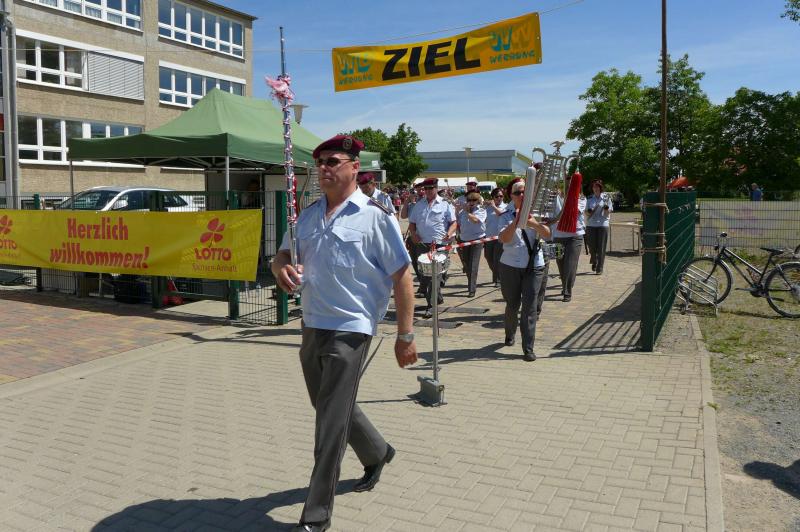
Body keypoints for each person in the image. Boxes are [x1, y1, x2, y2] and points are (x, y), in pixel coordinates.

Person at [271, 134, 418, 532]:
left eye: (332, 161)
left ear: (355, 167)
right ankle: (377, 451)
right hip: (311, 323)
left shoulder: (376, 216)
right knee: (329, 406)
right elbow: (282, 254)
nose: (323, 168)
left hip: (351, 329)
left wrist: (405, 336)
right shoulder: (307, 216)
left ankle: (316, 515)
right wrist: (281, 268)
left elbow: (402, 276)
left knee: (329, 425)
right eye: (319, 162)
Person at [498, 179, 551, 361]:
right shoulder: (505, 215)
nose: (522, 195)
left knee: (530, 307)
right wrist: (517, 220)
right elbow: (504, 238)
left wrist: (533, 223)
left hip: (534, 265)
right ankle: (510, 332)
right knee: (512, 305)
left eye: (525, 192)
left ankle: (528, 347)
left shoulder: (538, 212)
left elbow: (547, 234)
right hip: (510, 265)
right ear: (511, 196)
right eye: (518, 192)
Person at [408, 177, 457, 318]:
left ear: (436, 188)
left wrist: (449, 233)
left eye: (431, 188)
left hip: (439, 244)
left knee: (434, 276)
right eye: (426, 189)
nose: (428, 191)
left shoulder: (445, 204)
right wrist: (413, 234)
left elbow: (454, 223)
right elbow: (412, 223)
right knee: (424, 275)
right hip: (422, 244)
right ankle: (437, 298)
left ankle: (431, 306)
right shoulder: (419, 205)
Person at [552, 172, 586, 302]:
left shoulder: (581, 198)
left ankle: (567, 291)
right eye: (567, 180)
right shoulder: (556, 196)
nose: (568, 183)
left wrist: (567, 197)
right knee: (560, 263)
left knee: (570, 264)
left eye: (571, 181)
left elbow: (573, 210)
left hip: (575, 235)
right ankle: (565, 284)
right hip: (558, 235)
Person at [457, 191, 487, 297]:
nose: (471, 202)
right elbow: (458, 222)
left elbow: (475, 220)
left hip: (477, 239)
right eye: (469, 200)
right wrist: (458, 210)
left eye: (474, 200)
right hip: (464, 239)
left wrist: (467, 212)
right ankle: (471, 283)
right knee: (467, 264)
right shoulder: (463, 211)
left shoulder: (481, 210)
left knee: (473, 264)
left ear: (478, 201)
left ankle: (472, 289)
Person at [585, 179, 613, 275]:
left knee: (601, 247)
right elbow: (586, 212)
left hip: (602, 224)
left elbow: (608, 212)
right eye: (594, 187)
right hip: (591, 224)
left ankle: (599, 267)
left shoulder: (606, 198)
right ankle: (594, 259)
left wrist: (606, 209)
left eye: (597, 187)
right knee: (591, 246)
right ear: (592, 188)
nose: (596, 188)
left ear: (600, 188)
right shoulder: (589, 198)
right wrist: (589, 211)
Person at [401, 183, 425, 290]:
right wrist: (407, 200)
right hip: (412, 236)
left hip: (424, 237)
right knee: (414, 262)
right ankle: (422, 283)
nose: (420, 192)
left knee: (423, 262)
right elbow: (403, 216)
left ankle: (424, 287)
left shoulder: (426, 203)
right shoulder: (412, 204)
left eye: (422, 189)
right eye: (418, 190)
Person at [483, 187, 507, 288]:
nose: (499, 198)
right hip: (489, 237)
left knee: (497, 258)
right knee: (488, 257)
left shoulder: (505, 207)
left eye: (501, 196)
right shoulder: (488, 208)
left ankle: (498, 280)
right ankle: (499, 274)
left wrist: (493, 206)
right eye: (497, 196)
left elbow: (501, 214)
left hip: (500, 237)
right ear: (493, 197)